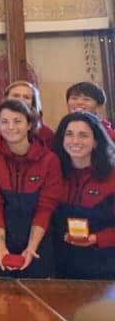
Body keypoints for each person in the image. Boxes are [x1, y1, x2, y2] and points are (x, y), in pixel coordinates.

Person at [0, 99, 62, 277]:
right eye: (4, 122)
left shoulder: (50, 160)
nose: (11, 127)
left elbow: (45, 208)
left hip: (38, 240)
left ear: (29, 124)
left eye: (17, 121)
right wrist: (0, 245)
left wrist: (31, 247)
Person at [52, 111, 115, 279]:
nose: (75, 141)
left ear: (96, 141)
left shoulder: (112, 176)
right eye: (69, 134)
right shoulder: (55, 173)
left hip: (105, 268)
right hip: (61, 268)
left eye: (83, 135)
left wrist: (96, 238)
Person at [4, 81, 55, 148]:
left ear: (33, 103)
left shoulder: (46, 134)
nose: (21, 100)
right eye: (16, 96)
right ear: (6, 99)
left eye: (26, 97)